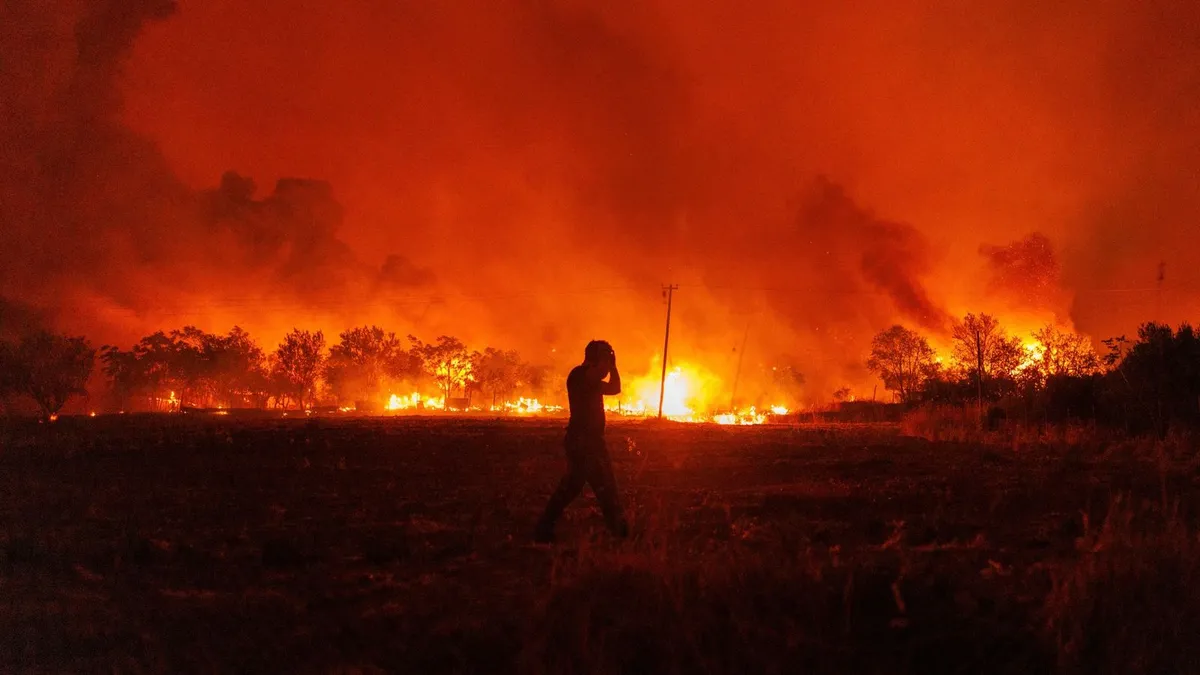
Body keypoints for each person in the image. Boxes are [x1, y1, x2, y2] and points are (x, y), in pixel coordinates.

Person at [534, 340, 629, 543]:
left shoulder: (592, 380)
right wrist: (606, 364)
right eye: (604, 360)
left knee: (575, 486)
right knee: (604, 486)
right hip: (583, 442)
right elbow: (599, 379)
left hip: (590, 441)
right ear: (593, 360)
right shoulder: (578, 375)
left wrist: (612, 367)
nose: (606, 367)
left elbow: (615, 388)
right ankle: (619, 532)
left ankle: (543, 528)